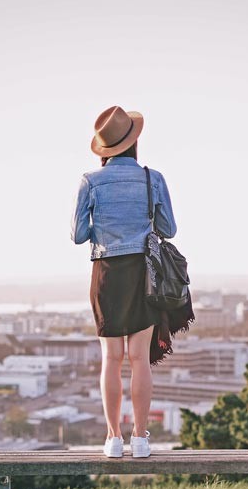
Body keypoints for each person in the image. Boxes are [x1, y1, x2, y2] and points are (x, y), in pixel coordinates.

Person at [71, 105, 195, 459]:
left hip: (107, 271)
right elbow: (169, 228)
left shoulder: (90, 181)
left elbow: (78, 234)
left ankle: (113, 438)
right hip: (144, 272)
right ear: (134, 142)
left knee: (111, 359)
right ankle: (140, 439)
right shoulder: (151, 178)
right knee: (139, 357)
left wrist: (105, 227)